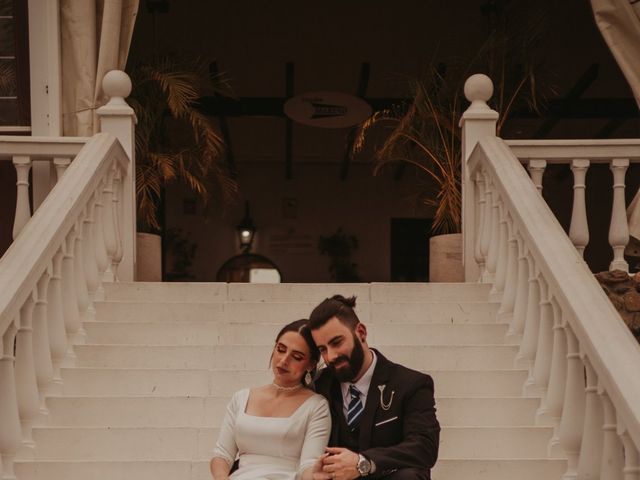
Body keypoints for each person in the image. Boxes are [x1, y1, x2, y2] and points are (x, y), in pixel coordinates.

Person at [308, 295, 440, 480]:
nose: (330, 356)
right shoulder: (320, 385)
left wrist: (364, 462)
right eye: (322, 349)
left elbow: (424, 447)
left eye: (337, 342)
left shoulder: (411, 384)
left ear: (361, 332)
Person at [210, 319, 331, 480]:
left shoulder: (316, 406)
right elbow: (222, 455)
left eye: (296, 356)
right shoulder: (241, 398)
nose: (284, 360)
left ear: (311, 364)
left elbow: (308, 465)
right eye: (280, 349)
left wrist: (315, 476)